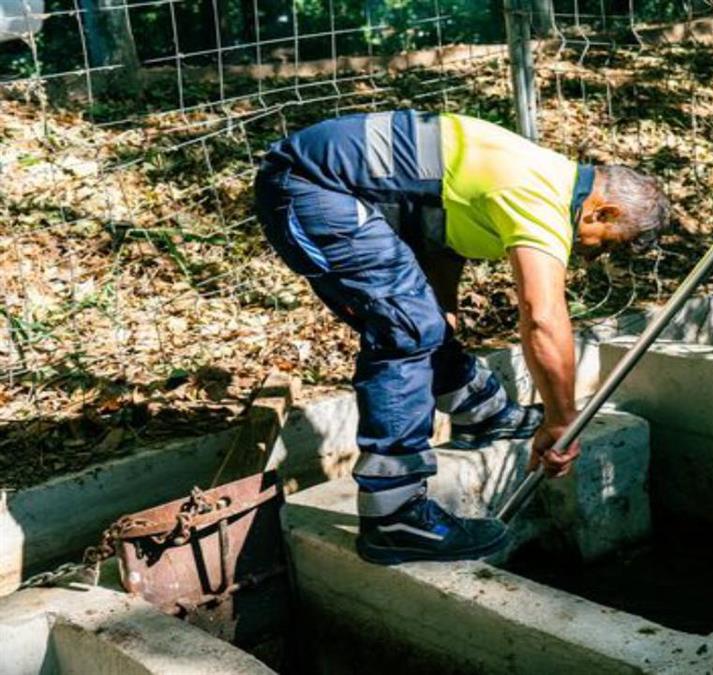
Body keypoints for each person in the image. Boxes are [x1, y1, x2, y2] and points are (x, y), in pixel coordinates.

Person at [254, 109, 670, 564]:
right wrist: (560, 420)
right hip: (310, 185)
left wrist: (441, 317)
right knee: (406, 329)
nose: (591, 256)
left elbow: (439, 229)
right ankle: (394, 516)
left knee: (421, 322)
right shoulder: (541, 198)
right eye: (604, 242)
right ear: (602, 210)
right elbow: (544, 318)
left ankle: (484, 414)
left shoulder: (535, 170)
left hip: (331, 182)